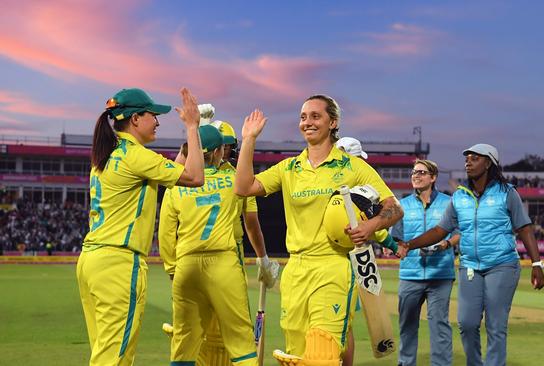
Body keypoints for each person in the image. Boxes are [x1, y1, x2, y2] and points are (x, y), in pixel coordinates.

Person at [234, 96, 403, 366]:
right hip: (296, 271)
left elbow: (394, 208)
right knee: (297, 357)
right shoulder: (290, 167)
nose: (307, 122)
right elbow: (243, 187)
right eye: (303, 117)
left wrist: (370, 226)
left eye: (315, 116)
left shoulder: (352, 166)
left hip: (333, 268)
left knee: (322, 355)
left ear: (333, 122)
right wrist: (249, 140)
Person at [76, 87, 205, 366]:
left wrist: (189, 144)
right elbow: (195, 176)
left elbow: (172, 170)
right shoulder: (136, 156)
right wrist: (193, 127)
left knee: (106, 353)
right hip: (118, 263)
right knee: (114, 358)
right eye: (152, 115)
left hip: (92, 261)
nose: (157, 121)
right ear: (135, 119)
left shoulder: (108, 154)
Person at [397, 143, 544, 366]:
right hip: (469, 267)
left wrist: (537, 264)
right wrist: (410, 244)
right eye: (467, 158)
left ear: (488, 163)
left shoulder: (507, 193)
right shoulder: (460, 196)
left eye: (475, 158)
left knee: (496, 325)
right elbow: (440, 230)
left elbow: (524, 228)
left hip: (502, 265)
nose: (468, 162)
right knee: (466, 323)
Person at [159, 123, 278, 366]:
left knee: (184, 343)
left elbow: (165, 234)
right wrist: (249, 140)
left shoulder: (177, 186)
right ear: (217, 152)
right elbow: (251, 222)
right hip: (224, 263)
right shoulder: (235, 180)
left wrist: (172, 268)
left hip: (186, 266)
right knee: (241, 340)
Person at [334, 136, 398, 366]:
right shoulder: (357, 190)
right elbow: (371, 227)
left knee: (338, 322)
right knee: (345, 324)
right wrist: (393, 245)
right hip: (347, 260)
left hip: (324, 258)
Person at [391, 159, 459, 366]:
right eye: (414, 172)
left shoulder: (449, 202)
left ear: (433, 177)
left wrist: (445, 245)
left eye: (421, 172)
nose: (416, 176)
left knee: (439, 325)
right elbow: (396, 238)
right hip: (410, 275)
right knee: (407, 326)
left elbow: (459, 234)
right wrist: (394, 247)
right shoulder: (402, 205)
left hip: (440, 275)